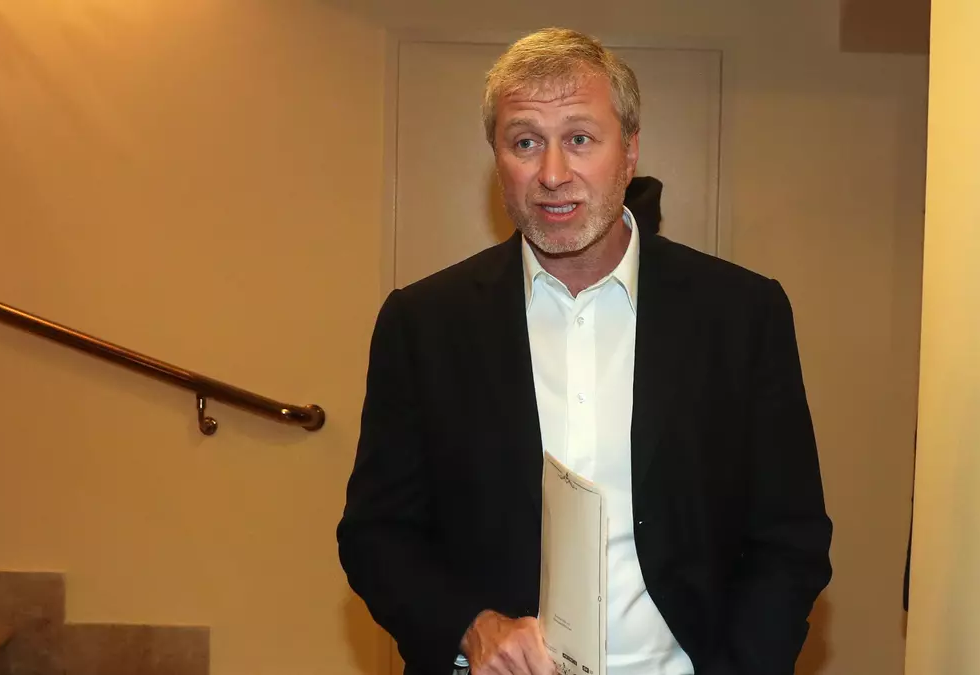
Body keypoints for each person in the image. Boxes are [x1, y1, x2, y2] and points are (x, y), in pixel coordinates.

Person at [337, 27, 832, 675]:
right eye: (525, 142)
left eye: (579, 138)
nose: (552, 174)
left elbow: (790, 537)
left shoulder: (741, 315)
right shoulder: (423, 324)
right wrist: (471, 627)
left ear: (629, 150)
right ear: (497, 159)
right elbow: (376, 535)